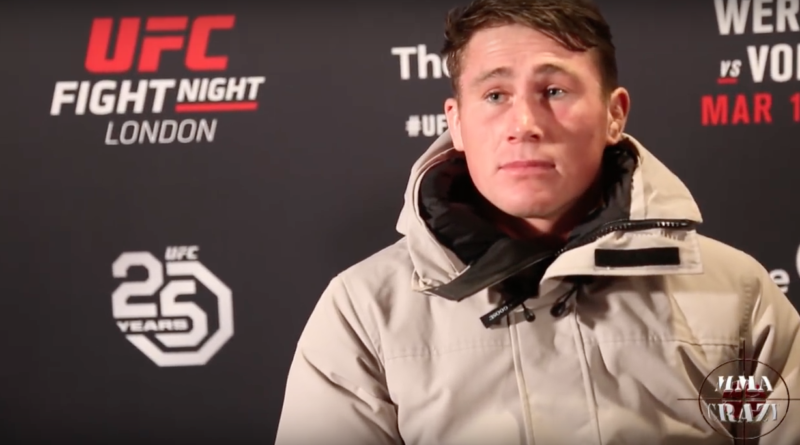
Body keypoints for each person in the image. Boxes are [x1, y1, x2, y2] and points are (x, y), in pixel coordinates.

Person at [274, 0, 800, 444]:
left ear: (614, 114)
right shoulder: (364, 311)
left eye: (554, 91)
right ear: (456, 123)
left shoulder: (740, 295)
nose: (524, 124)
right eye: (495, 96)